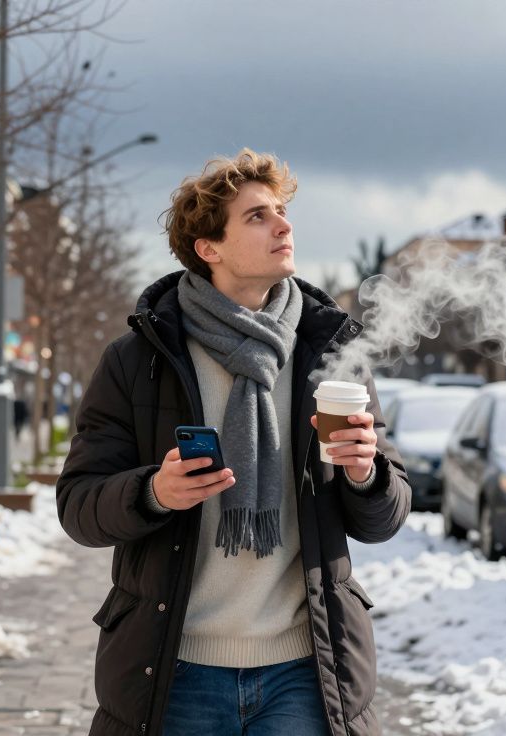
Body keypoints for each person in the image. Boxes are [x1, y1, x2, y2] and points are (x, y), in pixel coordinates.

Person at [57, 150, 410, 736]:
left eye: (282, 211)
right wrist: (153, 493)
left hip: (304, 669)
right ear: (208, 248)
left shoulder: (333, 354)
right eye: (257, 216)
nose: (283, 225)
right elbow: (78, 507)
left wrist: (365, 474)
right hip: (174, 668)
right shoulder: (139, 359)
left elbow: (384, 517)